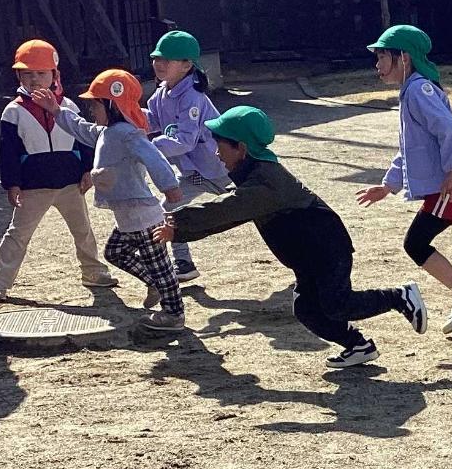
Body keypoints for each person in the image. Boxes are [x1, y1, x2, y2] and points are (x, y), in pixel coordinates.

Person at [161, 106, 425, 369]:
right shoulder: (254, 175)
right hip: (308, 256)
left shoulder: (266, 181)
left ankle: (399, 296)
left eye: (220, 146)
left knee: (337, 304)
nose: (217, 154)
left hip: (326, 248)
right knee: (307, 309)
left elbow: (225, 210)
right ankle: (358, 346)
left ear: (241, 148)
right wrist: (180, 229)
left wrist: (177, 222)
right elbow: (229, 216)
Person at [356, 24, 452, 334]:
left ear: (403, 57)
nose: (377, 65)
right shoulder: (414, 89)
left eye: (381, 57)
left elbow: (447, 130)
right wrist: (388, 186)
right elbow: (410, 150)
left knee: (415, 242)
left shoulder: (417, 89)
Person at [48, 70, 185, 333]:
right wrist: (56, 111)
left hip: (143, 216)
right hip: (127, 217)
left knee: (161, 266)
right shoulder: (105, 133)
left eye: (95, 104)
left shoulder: (126, 133)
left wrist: (170, 186)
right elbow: (81, 129)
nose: (92, 110)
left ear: (112, 104)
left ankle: (174, 313)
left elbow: (153, 156)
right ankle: (155, 284)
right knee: (115, 253)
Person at [0, 39, 117, 303]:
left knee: (83, 230)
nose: (34, 79)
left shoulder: (68, 106)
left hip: (70, 183)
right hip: (33, 186)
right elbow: (7, 152)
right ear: (18, 76)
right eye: (27, 74)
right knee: (18, 234)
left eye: (41, 73)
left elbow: (85, 139)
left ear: (54, 75)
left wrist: (89, 169)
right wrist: (11, 184)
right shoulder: (13, 111)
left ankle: (93, 271)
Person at [145, 29, 227, 281]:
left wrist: (148, 147)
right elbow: (151, 120)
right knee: (168, 210)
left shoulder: (192, 96)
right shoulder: (161, 93)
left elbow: (184, 141)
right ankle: (184, 263)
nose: (159, 64)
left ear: (186, 65)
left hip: (223, 169)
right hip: (196, 175)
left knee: (261, 209)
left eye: (166, 59)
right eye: (156, 58)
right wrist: (125, 120)